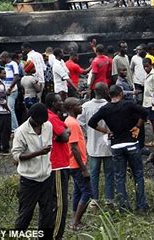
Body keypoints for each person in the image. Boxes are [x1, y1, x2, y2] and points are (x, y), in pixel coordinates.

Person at [88, 85, 149, 213]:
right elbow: (145, 112)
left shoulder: (105, 109)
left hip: (116, 145)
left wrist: (106, 131)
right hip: (131, 143)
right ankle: (141, 205)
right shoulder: (128, 105)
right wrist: (137, 126)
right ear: (121, 93)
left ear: (109, 95)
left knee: (119, 176)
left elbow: (92, 122)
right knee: (138, 174)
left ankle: (123, 206)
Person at [11, 103, 54, 238]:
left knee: (47, 214)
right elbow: (16, 156)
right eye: (39, 122)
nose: (41, 125)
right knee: (25, 214)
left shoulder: (48, 126)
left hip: (46, 177)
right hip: (29, 180)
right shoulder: (21, 131)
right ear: (32, 118)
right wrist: (37, 153)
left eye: (43, 122)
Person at [78, 82, 114, 208]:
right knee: (109, 173)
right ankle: (109, 199)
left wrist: (87, 133)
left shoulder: (86, 106)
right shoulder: (109, 106)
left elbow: (80, 122)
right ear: (106, 92)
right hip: (108, 144)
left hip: (92, 145)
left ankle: (94, 200)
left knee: (94, 174)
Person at [64, 97, 92, 230]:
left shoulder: (71, 121)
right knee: (88, 192)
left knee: (77, 191)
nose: (81, 107)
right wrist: (84, 168)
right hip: (76, 164)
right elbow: (74, 147)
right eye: (78, 105)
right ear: (71, 108)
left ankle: (74, 217)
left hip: (73, 163)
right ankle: (76, 222)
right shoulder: (73, 124)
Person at [46, 93, 71, 240]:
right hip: (58, 165)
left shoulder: (52, 117)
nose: (62, 103)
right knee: (61, 203)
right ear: (53, 104)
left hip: (56, 163)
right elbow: (65, 135)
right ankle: (56, 235)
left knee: (53, 201)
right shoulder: (53, 118)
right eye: (59, 101)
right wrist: (64, 131)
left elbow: (65, 132)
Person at [0, 51, 20, 133]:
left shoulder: (13, 64)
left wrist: (10, 88)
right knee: (8, 109)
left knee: (11, 109)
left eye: (1, 58)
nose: (0, 59)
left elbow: (16, 77)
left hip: (12, 90)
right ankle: (12, 127)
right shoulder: (6, 65)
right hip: (7, 91)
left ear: (5, 57)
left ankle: (15, 129)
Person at [143, 58, 154, 147]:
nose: (146, 68)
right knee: (152, 120)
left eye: (147, 66)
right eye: (144, 67)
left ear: (151, 65)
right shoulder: (147, 75)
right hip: (147, 102)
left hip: (152, 102)